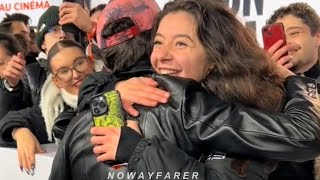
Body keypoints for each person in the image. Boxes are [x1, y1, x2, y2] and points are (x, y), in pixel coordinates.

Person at [50, 0, 320, 180]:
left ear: (214, 56)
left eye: (181, 44)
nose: (163, 56)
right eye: (158, 42)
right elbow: (305, 135)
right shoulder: (175, 101)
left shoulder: (208, 105)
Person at [0, 39, 104, 175]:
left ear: (90, 61)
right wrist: (19, 132)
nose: (76, 74)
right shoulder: (54, 110)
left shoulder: (117, 89)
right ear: (56, 81)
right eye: (64, 71)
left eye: (80, 63)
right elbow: (11, 119)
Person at [265, 3, 320, 180]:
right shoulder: (258, 85)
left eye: (294, 33)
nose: (286, 42)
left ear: (317, 37)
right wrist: (268, 80)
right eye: (280, 36)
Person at [0, 6, 75, 119]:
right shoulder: (30, 74)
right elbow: (12, 119)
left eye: (67, 29)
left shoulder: (91, 66)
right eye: (54, 30)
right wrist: (12, 86)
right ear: (43, 43)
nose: (63, 35)